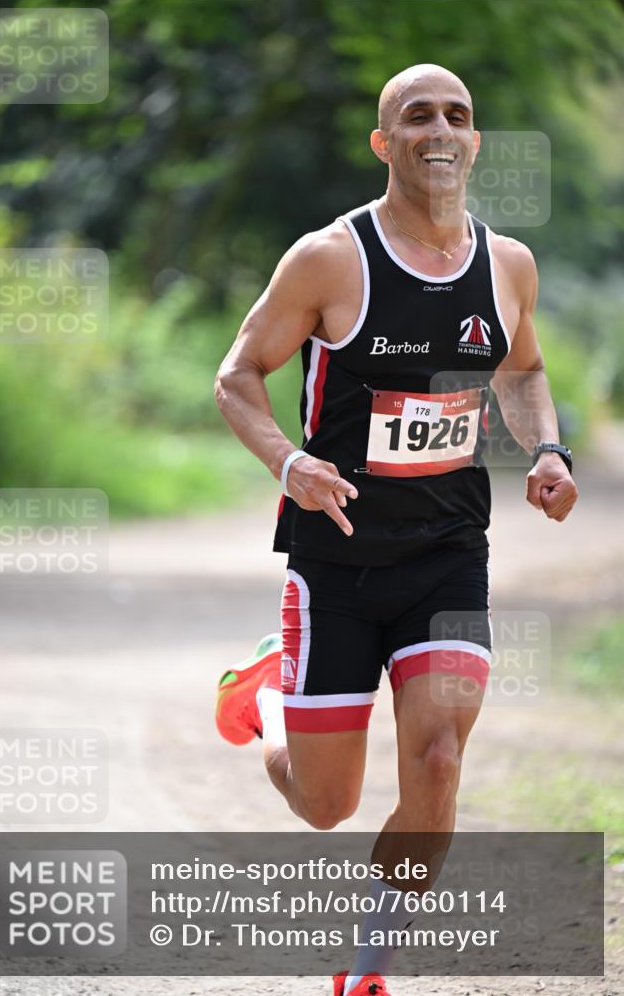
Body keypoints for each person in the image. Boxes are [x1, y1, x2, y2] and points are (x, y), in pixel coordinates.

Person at [213, 63, 578, 996]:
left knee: (439, 758)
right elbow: (237, 374)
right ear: (385, 142)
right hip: (334, 562)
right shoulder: (329, 259)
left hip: (447, 557)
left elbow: (522, 369)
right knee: (324, 805)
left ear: (474, 142)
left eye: (456, 115)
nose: (439, 129)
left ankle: (367, 967)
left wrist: (546, 449)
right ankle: (265, 700)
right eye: (418, 116)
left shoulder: (507, 264)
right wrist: (287, 462)